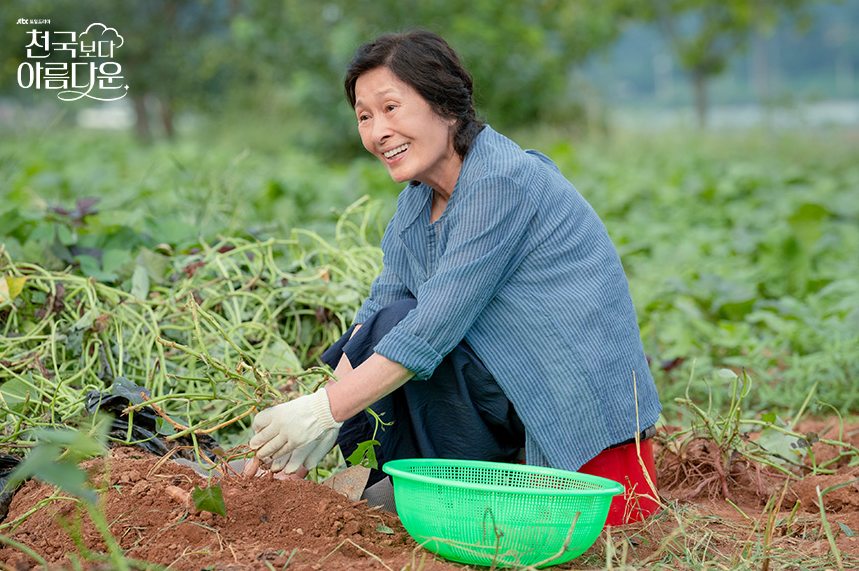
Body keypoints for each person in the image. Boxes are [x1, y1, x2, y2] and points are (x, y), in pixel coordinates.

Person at [248, 29, 662, 517]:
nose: (377, 131)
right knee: (381, 327)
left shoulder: (502, 183)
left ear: (445, 106)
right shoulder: (416, 202)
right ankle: (411, 484)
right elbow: (378, 308)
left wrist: (323, 412)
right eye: (364, 116)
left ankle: (467, 481)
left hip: (572, 417)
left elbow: (432, 327)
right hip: (507, 390)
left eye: (391, 108)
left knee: (406, 333)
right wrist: (314, 417)